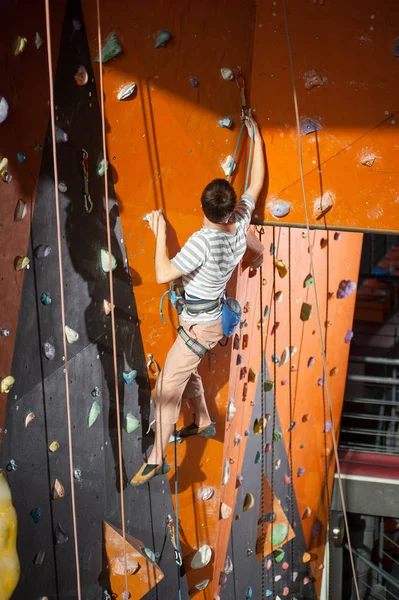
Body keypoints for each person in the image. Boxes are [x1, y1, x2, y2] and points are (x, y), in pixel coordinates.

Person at [130, 111, 265, 486]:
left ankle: (157, 457)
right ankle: (202, 419)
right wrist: (256, 139)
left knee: (165, 389)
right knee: (184, 367)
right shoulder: (239, 226)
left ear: (203, 209)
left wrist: (159, 230)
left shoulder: (201, 242)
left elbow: (162, 274)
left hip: (199, 323)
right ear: (229, 207)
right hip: (207, 320)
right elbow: (255, 184)